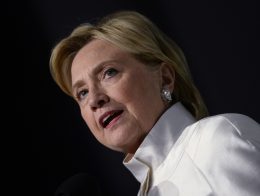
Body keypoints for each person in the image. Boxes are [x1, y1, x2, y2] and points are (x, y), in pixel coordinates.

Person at [49, 10, 260, 196]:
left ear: (165, 78)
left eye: (109, 73)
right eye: (82, 93)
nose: (95, 99)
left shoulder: (215, 141)